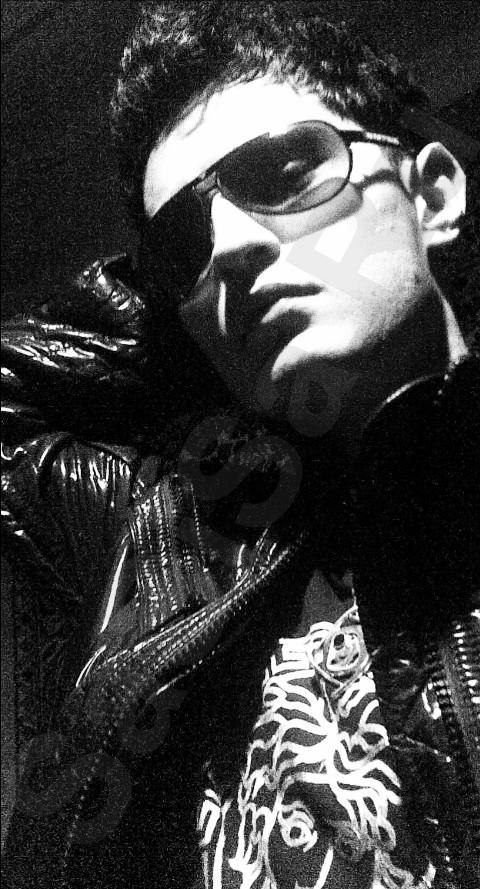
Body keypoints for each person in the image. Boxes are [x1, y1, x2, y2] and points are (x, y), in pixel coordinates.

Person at [2, 3, 478, 888]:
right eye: (187, 241)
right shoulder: (173, 534)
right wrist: (175, 301)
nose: (228, 248)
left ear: (434, 196)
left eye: (287, 171)